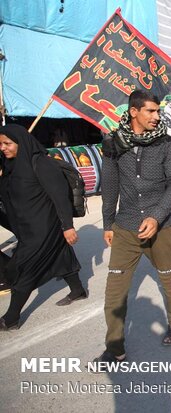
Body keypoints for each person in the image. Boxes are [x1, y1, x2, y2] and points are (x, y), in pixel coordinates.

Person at [96, 90, 171, 368]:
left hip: (160, 227)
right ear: (134, 111)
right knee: (115, 291)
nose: (157, 116)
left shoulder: (167, 143)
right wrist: (108, 223)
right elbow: (109, 185)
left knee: (168, 276)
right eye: (151, 111)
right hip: (125, 227)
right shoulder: (113, 143)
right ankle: (115, 350)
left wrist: (157, 216)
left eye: (158, 111)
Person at [0, 124, 87, 331]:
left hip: (45, 226)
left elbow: (60, 198)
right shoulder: (10, 166)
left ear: (21, 143)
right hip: (26, 226)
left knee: (24, 269)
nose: (3, 148)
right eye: (0, 144)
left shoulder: (41, 163)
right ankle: (78, 290)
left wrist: (67, 227)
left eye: (7, 143)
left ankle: (11, 318)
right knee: (59, 254)